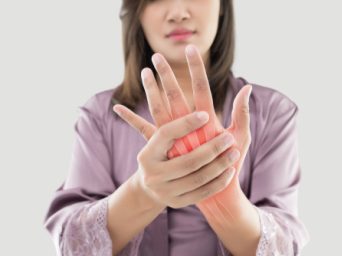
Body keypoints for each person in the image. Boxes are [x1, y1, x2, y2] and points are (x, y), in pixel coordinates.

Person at [43, 0, 310, 255]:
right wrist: (142, 193)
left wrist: (227, 205)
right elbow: (70, 245)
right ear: (136, 10)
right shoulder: (100, 116)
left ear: (222, 6)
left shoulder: (272, 112)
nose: (178, 12)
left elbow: (285, 248)